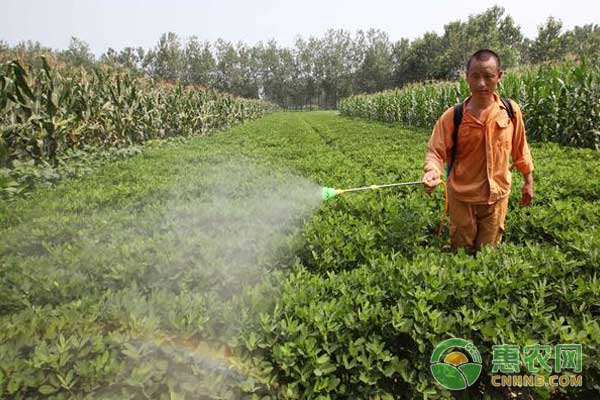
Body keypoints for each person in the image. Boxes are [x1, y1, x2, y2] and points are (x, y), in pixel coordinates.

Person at [422, 49, 534, 252]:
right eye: (475, 76)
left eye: (488, 76)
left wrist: (528, 181)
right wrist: (432, 170)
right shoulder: (453, 116)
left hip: (496, 199)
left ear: (499, 77)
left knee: (487, 255)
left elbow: (520, 148)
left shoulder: (510, 111)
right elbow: (435, 152)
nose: (481, 83)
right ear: (467, 78)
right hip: (463, 199)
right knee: (461, 252)